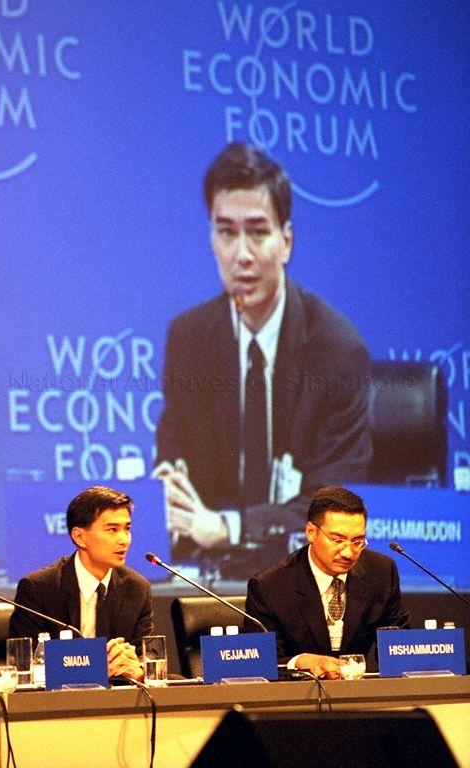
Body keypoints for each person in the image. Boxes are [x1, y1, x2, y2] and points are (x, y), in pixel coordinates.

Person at [155, 142, 372, 572]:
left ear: (286, 241)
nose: (242, 254)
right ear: (211, 239)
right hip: (211, 577)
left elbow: (336, 506)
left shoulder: (337, 350)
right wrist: (170, 491)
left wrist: (229, 528)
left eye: (257, 232)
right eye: (226, 232)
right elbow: (174, 453)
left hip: (306, 573)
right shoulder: (189, 340)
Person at [244, 486, 410, 678]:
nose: (348, 553)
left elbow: (399, 648)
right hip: (298, 693)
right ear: (311, 532)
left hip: (358, 692)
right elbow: (260, 663)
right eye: (337, 540)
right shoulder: (270, 586)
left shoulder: (381, 572)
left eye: (357, 542)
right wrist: (301, 662)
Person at [9, 485, 152, 681]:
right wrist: (92, 668)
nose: (124, 540)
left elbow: (146, 658)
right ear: (79, 537)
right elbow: (23, 666)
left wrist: (138, 672)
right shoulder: (38, 589)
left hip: (118, 697)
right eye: (112, 530)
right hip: (57, 697)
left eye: (127, 529)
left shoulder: (136, 589)